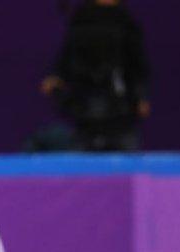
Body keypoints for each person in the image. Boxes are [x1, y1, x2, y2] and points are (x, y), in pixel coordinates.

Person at [40, 0, 150, 151]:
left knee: (122, 149)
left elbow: (137, 63)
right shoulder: (82, 18)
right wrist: (57, 76)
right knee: (82, 151)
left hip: (119, 105)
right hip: (85, 102)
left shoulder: (125, 21)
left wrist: (141, 95)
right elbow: (69, 54)